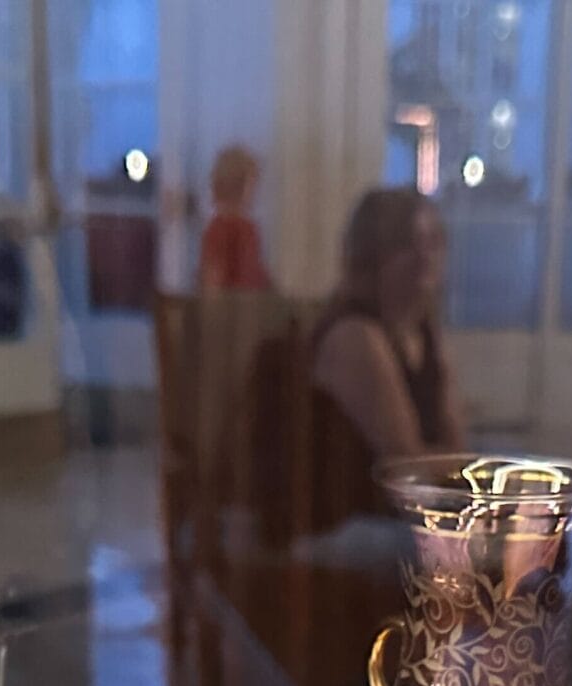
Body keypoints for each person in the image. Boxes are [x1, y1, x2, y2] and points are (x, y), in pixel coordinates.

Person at [304, 187, 470, 531]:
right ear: (372, 257)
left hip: (405, 514)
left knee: (537, 539)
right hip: (348, 521)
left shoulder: (423, 333)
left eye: (433, 242)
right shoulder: (355, 334)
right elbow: (405, 464)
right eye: (408, 245)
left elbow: (456, 445)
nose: (425, 257)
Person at [199, 145, 274, 293]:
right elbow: (213, 279)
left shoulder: (245, 227)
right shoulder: (224, 229)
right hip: (236, 304)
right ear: (237, 185)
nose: (255, 191)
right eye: (252, 184)